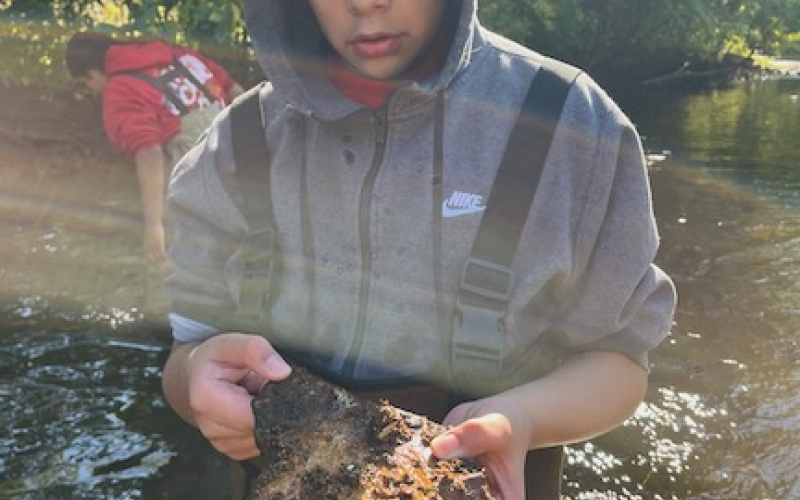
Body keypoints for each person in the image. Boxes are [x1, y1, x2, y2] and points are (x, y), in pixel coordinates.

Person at [161, 1, 677, 499]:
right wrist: (193, 381)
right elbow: (186, 353)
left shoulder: (572, 126)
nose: (364, 3)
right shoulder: (235, 145)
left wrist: (520, 419)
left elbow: (620, 360)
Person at [64, 32, 245, 265]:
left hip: (192, 183)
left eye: (85, 84)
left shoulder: (121, 89)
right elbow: (236, 92)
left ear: (91, 72)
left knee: (168, 266)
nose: (91, 92)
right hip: (236, 171)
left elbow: (149, 153)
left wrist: (154, 225)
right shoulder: (180, 56)